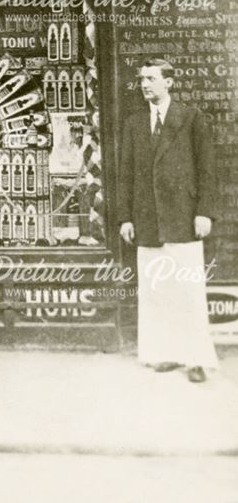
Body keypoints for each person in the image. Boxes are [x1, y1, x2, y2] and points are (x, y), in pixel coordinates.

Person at [118, 58, 218, 382]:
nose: (144, 84)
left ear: (168, 82)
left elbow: (207, 170)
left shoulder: (191, 119)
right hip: (148, 221)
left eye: (151, 78)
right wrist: (125, 217)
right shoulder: (134, 123)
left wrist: (204, 211)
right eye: (141, 79)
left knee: (188, 291)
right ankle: (165, 354)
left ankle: (196, 360)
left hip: (183, 219)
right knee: (157, 291)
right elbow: (126, 175)